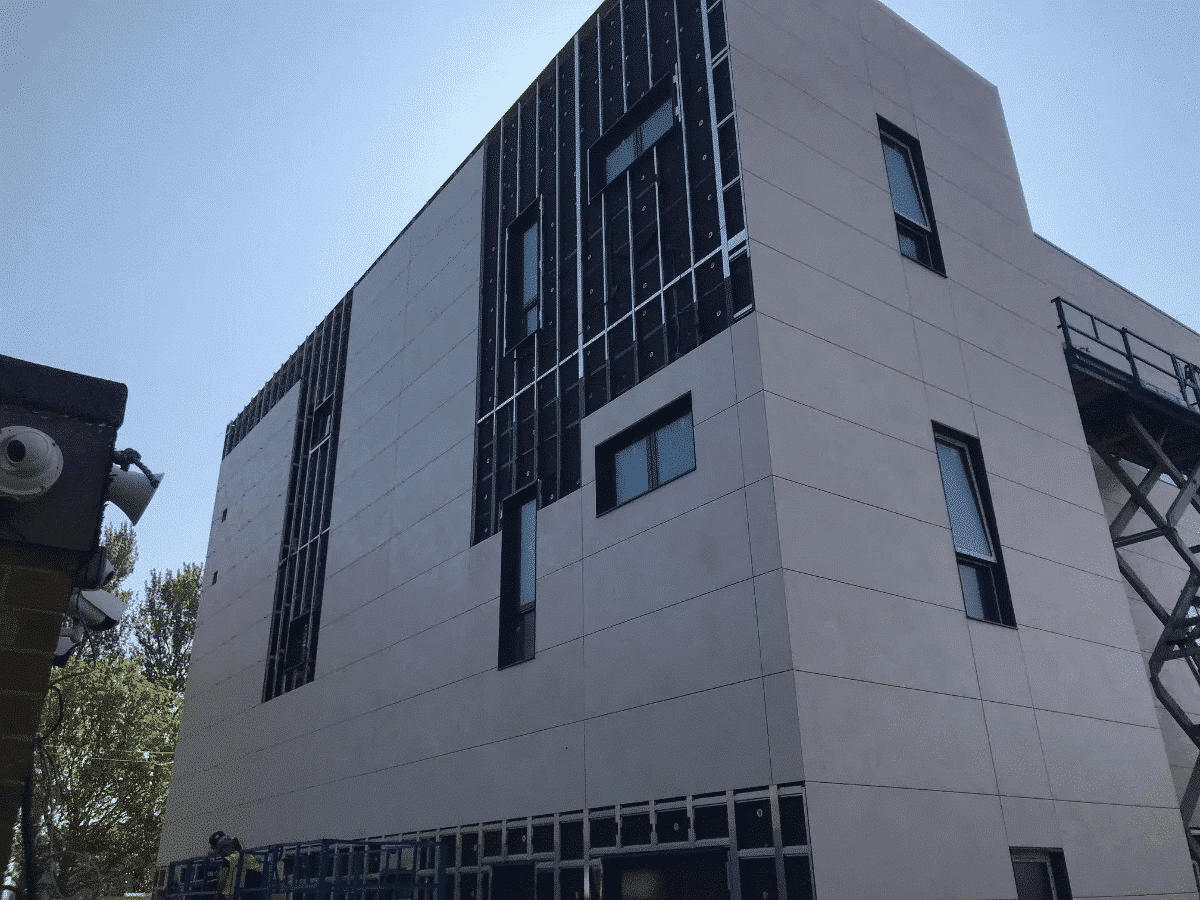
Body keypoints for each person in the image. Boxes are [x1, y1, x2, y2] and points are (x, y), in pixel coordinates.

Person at [209, 831, 264, 900]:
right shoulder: (246, 855)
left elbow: (222, 882)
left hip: (233, 894)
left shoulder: (227, 860)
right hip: (253, 890)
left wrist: (217, 895)